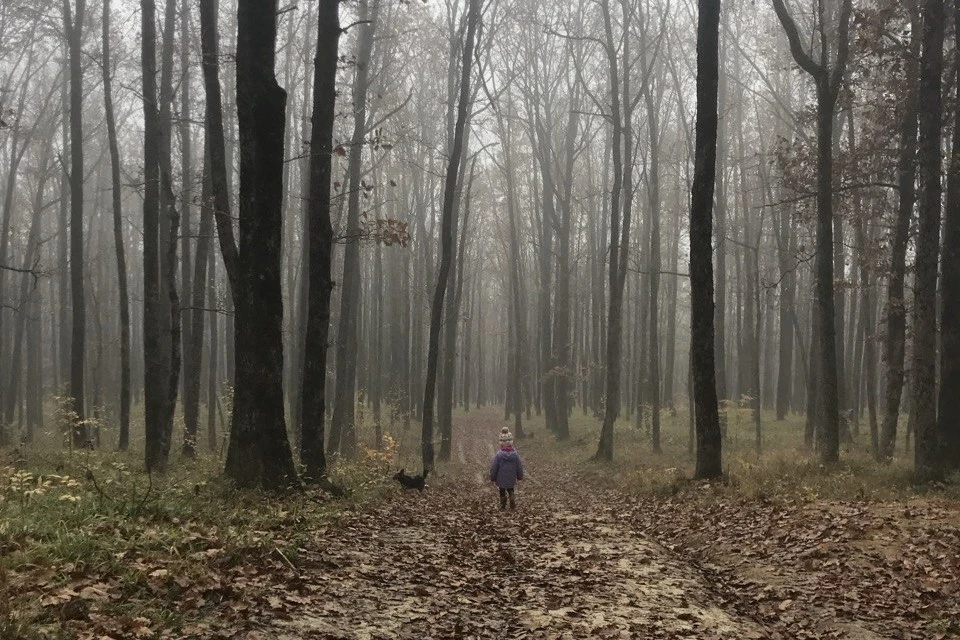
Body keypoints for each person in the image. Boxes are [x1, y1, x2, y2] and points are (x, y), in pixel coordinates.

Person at [489, 427, 524, 510]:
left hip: (501, 478)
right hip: (511, 477)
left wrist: (492, 477)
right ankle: (511, 497)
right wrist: (520, 476)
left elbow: (494, 467)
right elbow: (519, 466)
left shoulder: (499, 455)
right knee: (510, 488)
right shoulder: (515, 454)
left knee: (502, 490)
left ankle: (503, 504)